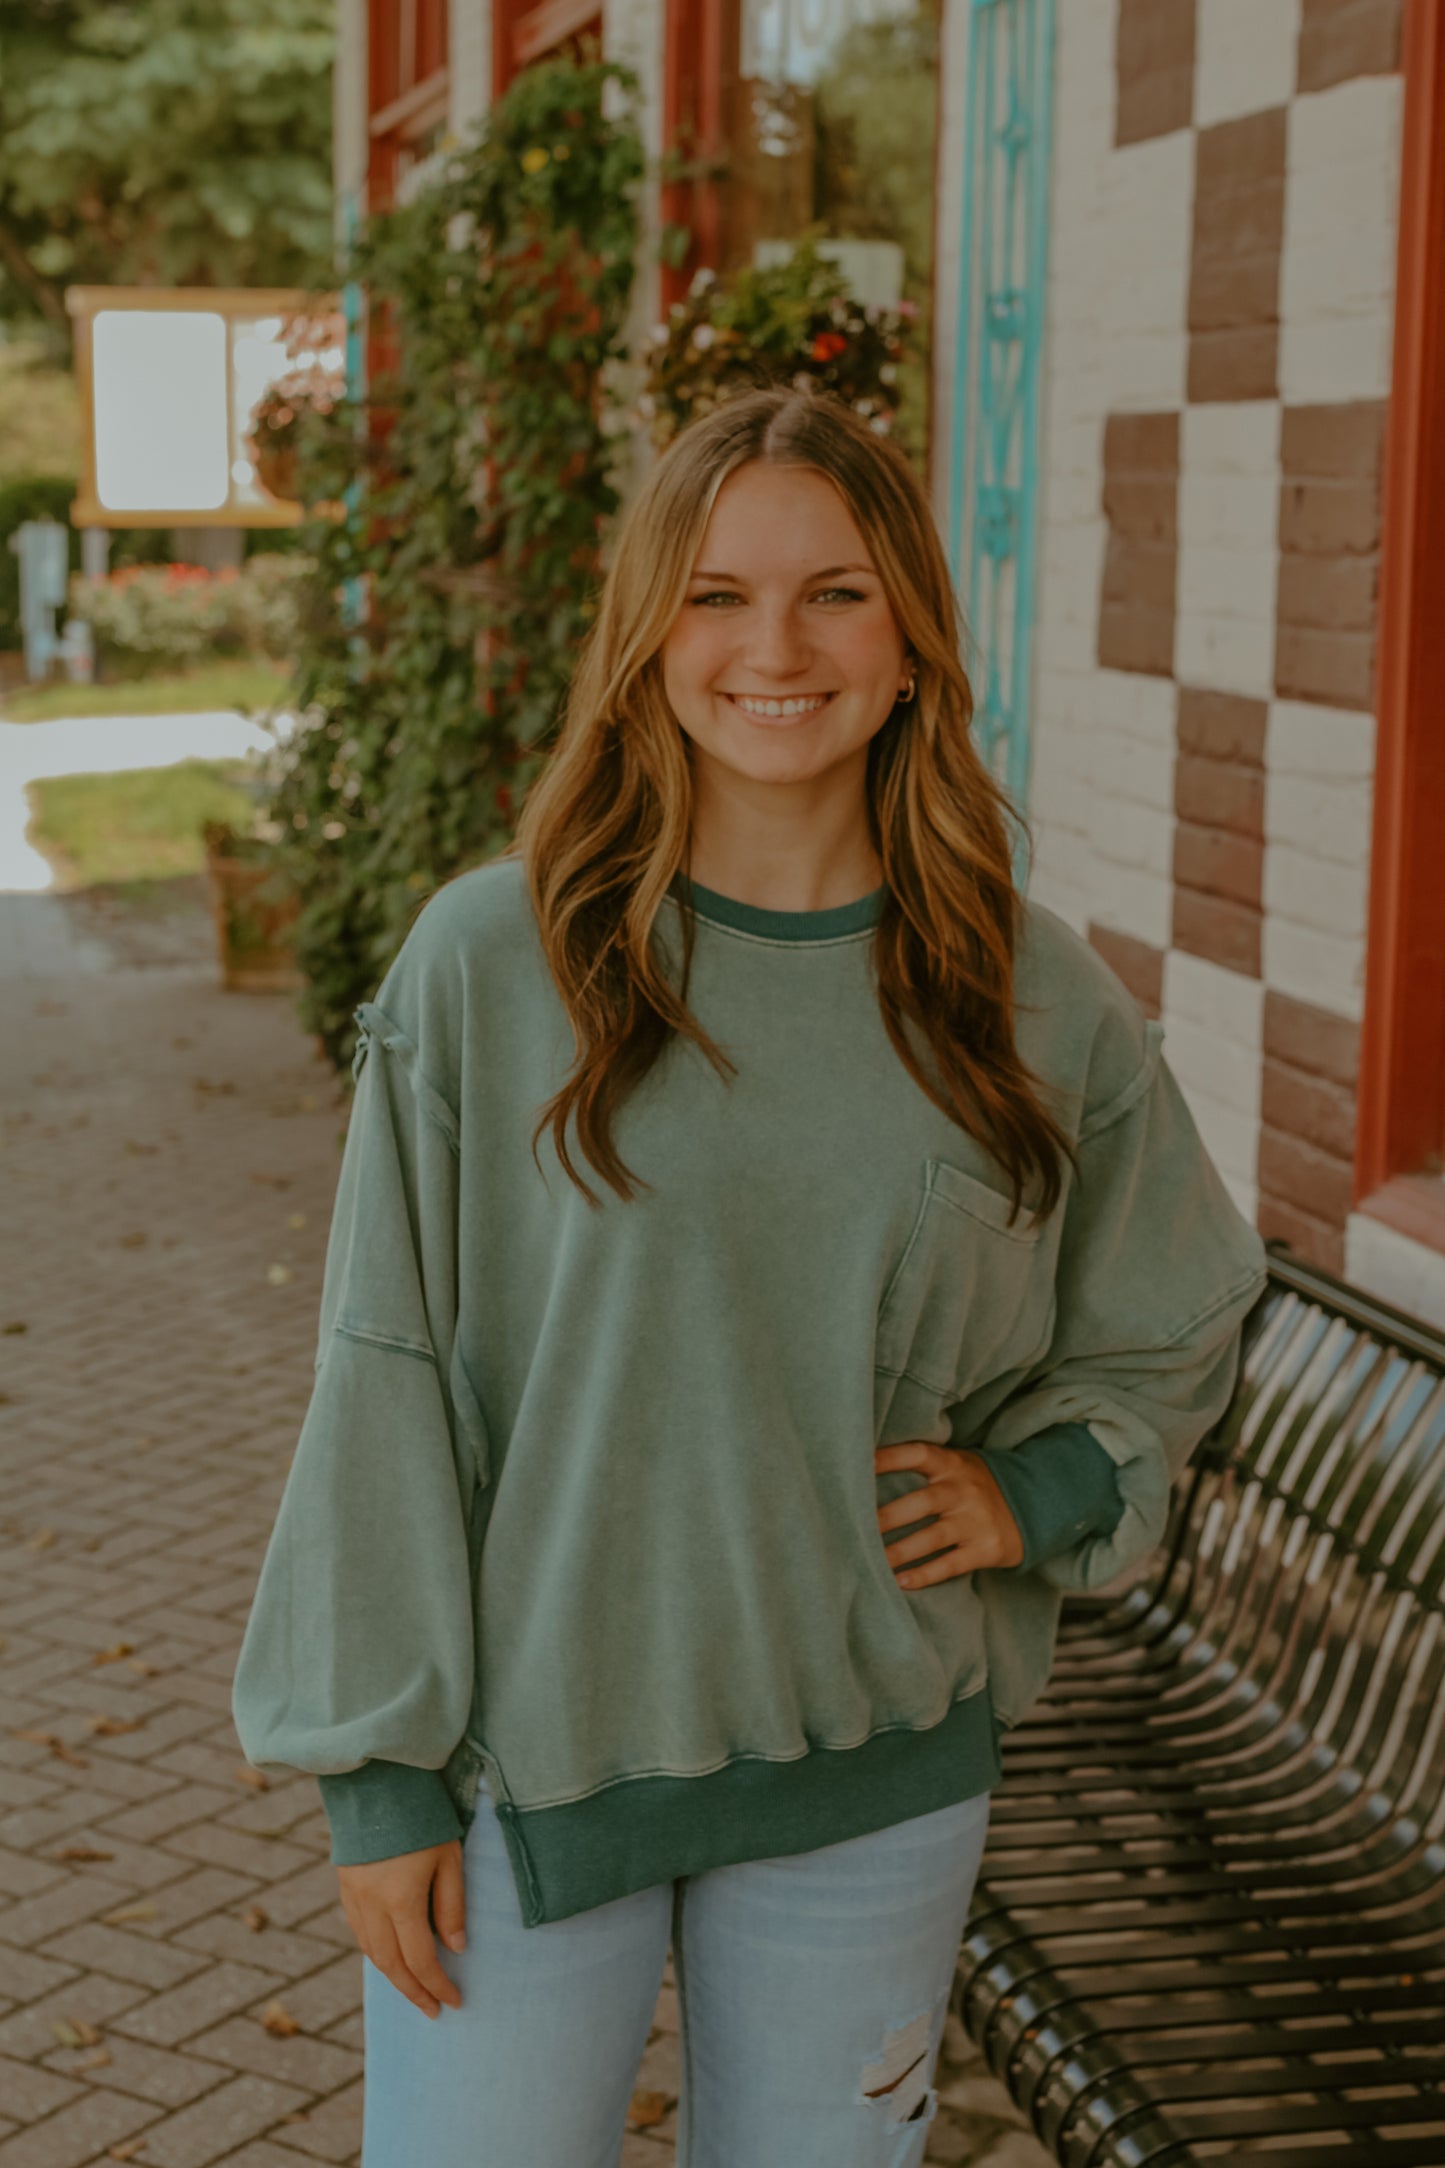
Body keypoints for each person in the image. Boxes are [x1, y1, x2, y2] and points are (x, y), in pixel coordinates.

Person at [233, 383, 1267, 2166]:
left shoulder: (1024, 994)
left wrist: (1044, 1488)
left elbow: (1174, 1302)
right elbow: (386, 1367)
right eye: (715, 595)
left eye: (834, 592)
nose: (773, 647)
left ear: (910, 633)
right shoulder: (496, 960)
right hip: (520, 1770)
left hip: (871, 1766)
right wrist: (378, 1769)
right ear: (646, 637)